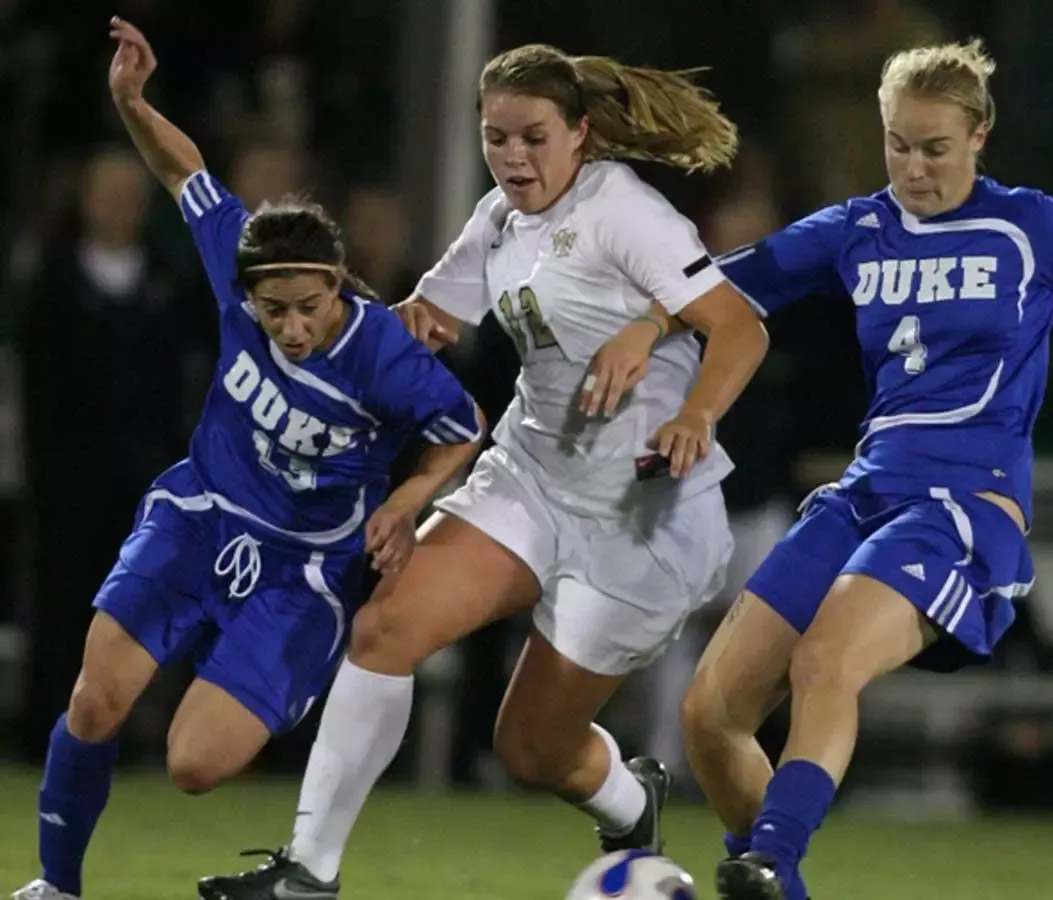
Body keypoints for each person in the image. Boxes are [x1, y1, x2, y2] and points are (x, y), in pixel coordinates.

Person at [197, 42, 768, 900]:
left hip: (641, 516)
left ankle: (625, 797)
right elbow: (429, 314)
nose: (513, 157)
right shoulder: (498, 219)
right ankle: (307, 874)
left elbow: (740, 328)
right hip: (531, 474)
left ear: (580, 134)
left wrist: (693, 414)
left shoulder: (625, 212)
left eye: (533, 137)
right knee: (384, 630)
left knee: (532, 749)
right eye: (496, 137)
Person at [678, 38, 1053, 900]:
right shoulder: (855, 229)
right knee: (710, 715)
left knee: (823, 665)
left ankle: (770, 857)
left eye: (935, 148)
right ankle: (774, 880)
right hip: (863, 493)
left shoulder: (1033, 226)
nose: (913, 168)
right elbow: (712, 295)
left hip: (963, 505)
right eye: (897, 144)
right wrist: (625, 322)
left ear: (980, 136)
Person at [11, 19, 485, 900]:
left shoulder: (384, 354)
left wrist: (408, 499)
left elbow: (465, 424)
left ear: (337, 286)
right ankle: (57, 886)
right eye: (274, 311)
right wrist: (130, 99)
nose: (293, 327)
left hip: (304, 571)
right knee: (93, 702)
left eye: (309, 306)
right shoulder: (237, 261)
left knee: (194, 763)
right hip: (202, 516)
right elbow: (183, 171)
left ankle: (307, 852)